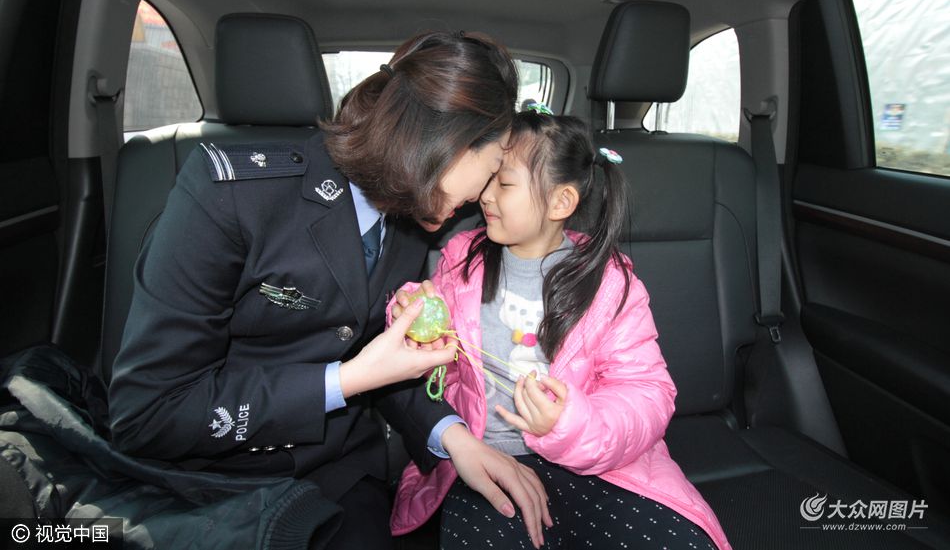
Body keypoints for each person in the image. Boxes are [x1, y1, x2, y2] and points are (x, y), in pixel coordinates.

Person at [108, 31, 551, 549]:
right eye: (493, 167)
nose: (482, 194)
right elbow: (148, 414)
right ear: (446, 144)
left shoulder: (414, 214)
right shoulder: (230, 195)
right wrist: (345, 380)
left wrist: (454, 437)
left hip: (337, 474)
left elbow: (381, 355)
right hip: (207, 482)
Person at [387, 108, 732, 549]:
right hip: (486, 458)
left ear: (560, 203)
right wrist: (412, 320)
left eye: (504, 184)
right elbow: (440, 370)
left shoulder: (608, 283)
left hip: (600, 463)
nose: (484, 196)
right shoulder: (462, 262)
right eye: (489, 177)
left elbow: (646, 390)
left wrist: (570, 425)